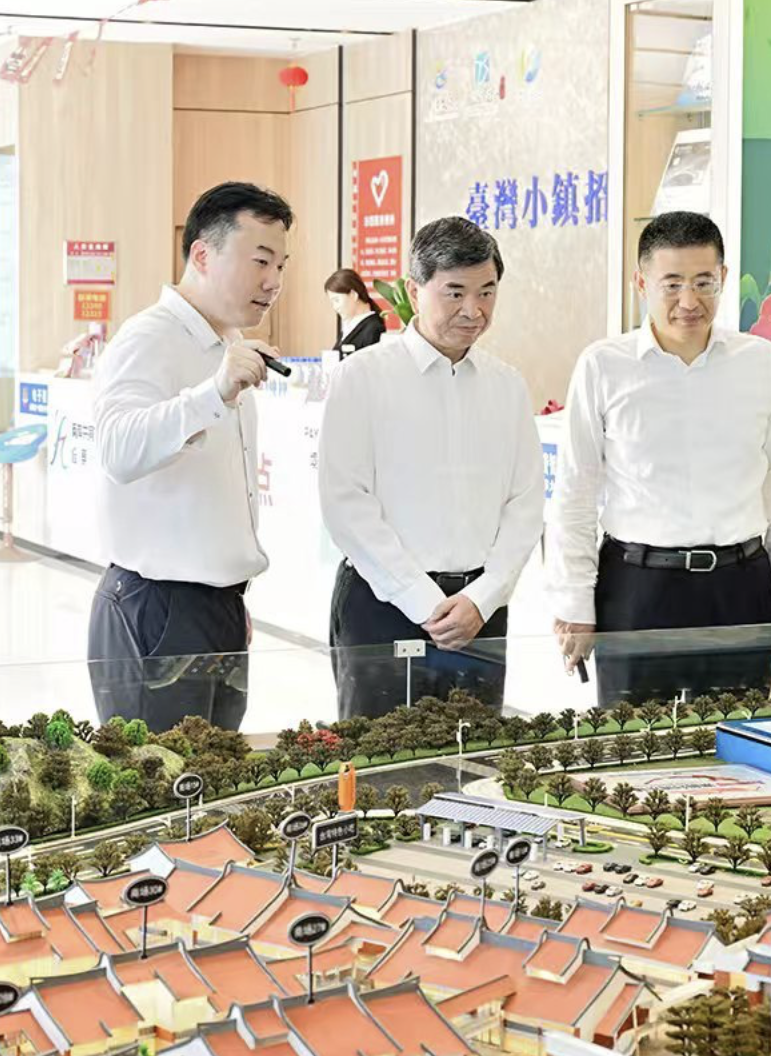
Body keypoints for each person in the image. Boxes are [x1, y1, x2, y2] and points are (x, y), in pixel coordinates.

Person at [547, 211, 771, 707]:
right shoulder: (604, 365)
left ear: (723, 278)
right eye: (672, 284)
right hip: (637, 587)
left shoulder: (759, 361)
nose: (689, 301)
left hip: (741, 586)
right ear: (641, 283)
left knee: (736, 739)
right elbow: (575, 492)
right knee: (634, 742)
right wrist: (575, 602)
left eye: (704, 282)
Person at [87, 182, 293, 732]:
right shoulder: (149, 337)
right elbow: (117, 449)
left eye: (281, 265)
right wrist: (213, 393)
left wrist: (227, 598)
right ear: (202, 254)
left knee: (212, 774)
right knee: (162, 777)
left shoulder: (226, 344)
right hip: (158, 609)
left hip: (215, 608)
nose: (273, 281)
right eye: (260, 261)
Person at [319, 216, 544, 719]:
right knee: (379, 759)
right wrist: (423, 601)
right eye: (455, 293)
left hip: (480, 612)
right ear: (413, 290)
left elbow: (526, 504)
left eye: (487, 292)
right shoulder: (362, 377)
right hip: (382, 606)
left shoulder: (507, 386)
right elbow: (345, 503)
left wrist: (483, 598)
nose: (474, 310)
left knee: (474, 756)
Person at [325, 268, 385, 355]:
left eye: (337, 300)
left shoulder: (373, 328)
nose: (335, 307)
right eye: (332, 302)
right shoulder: (350, 326)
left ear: (353, 295)